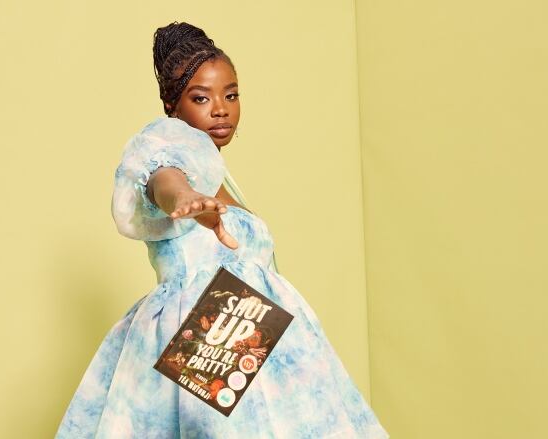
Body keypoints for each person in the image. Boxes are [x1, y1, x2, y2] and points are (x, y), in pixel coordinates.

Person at [55, 21, 390, 439]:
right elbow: (162, 177)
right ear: (173, 106)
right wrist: (182, 200)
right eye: (201, 97)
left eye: (231, 95)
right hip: (212, 324)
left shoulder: (217, 172)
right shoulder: (169, 142)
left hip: (247, 327)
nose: (221, 108)